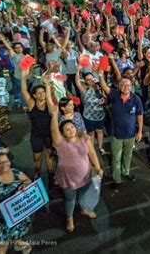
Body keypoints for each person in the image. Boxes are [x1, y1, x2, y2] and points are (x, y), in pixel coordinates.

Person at [46, 80, 103, 233]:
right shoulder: (60, 142)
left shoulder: (85, 138)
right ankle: (70, 218)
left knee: (83, 194)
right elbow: (53, 131)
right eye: (66, 128)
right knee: (70, 199)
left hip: (85, 175)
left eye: (72, 127)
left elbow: (92, 153)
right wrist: (54, 115)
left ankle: (84, 209)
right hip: (67, 179)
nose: (70, 129)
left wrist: (97, 167)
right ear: (62, 132)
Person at [99, 71, 143, 189]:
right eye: (123, 85)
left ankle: (126, 172)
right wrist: (100, 74)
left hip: (130, 134)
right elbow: (104, 86)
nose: (126, 87)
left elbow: (139, 115)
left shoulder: (136, 99)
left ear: (132, 86)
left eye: (128, 85)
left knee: (128, 155)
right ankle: (116, 179)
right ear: (119, 86)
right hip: (116, 134)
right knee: (116, 157)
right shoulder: (114, 95)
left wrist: (139, 131)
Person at [21, 68, 53, 181]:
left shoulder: (49, 103)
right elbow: (24, 91)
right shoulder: (31, 104)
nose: (42, 94)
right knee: (37, 157)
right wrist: (23, 77)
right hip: (36, 135)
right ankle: (37, 173)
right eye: (39, 93)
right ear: (34, 95)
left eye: (43, 92)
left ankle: (51, 174)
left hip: (49, 135)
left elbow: (50, 92)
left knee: (49, 155)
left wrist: (47, 83)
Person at [74, 70, 106, 155]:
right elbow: (77, 82)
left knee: (100, 131)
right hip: (88, 116)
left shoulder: (99, 87)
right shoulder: (84, 89)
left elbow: (105, 97)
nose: (91, 80)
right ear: (85, 81)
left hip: (100, 115)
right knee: (90, 133)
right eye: (88, 79)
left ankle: (100, 147)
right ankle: (91, 149)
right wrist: (78, 71)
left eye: (92, 78)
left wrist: (104, 100)